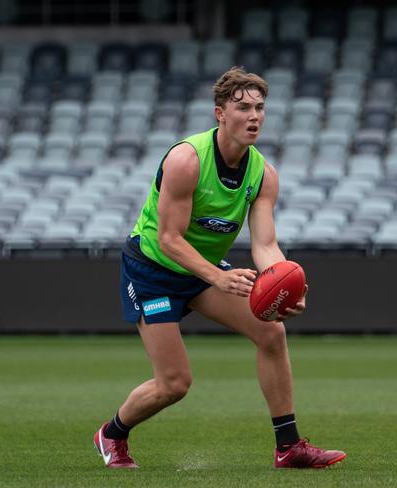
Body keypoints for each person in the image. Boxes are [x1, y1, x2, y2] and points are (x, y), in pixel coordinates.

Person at [93, 67, 346, 469]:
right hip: (152, 271)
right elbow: (170, 240)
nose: (254, 116)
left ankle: (289, 447)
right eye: (243, 107)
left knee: (272, 331)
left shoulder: (263, 174)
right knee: (175, 384)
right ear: (219, 113)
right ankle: (112, 434)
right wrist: (218, 276)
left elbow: (264, 245)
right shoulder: (186, 160)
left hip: (205, 269)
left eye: (260, 108)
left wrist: (286, 286)